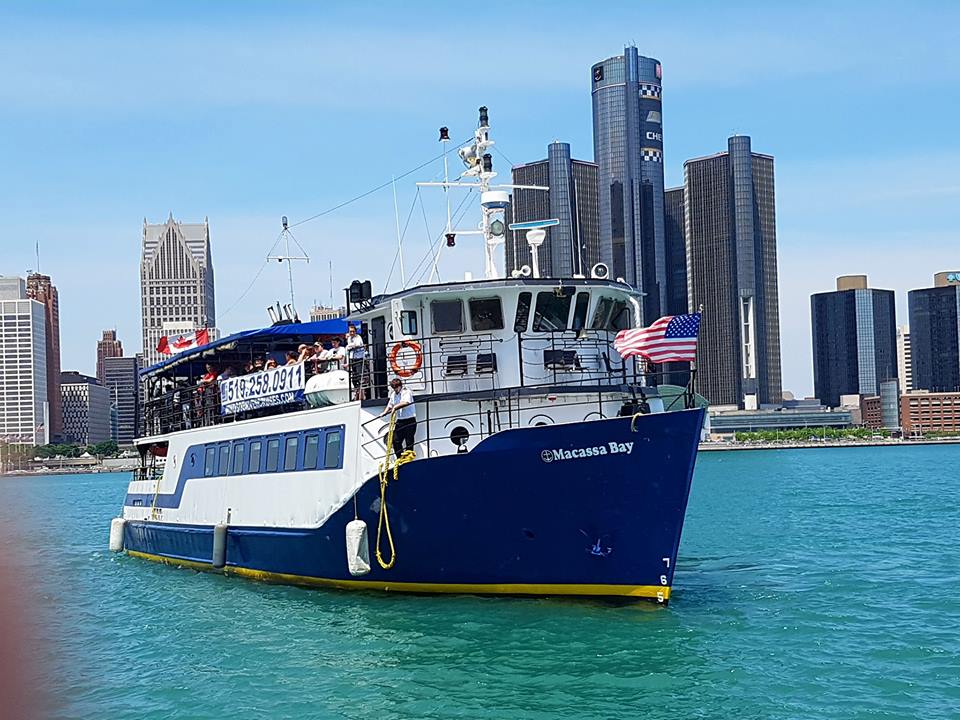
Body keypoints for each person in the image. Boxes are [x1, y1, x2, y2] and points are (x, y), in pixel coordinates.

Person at [379, 377, 417, 459]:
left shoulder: (406, 392)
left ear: (400, 386)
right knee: (396, 441)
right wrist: (384, 412)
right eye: (393, 388)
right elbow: (390, 405)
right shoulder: (393, 394)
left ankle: (408, 460)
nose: (395, 389)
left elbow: (405, 402)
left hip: (410, 421)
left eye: (396, 387)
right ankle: (400, 459)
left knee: (409, 441)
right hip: (400, 421)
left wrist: (395, 407)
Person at [345, 325, 367, 397]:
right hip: (352, 358)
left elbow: (357, 345)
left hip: (359, 358)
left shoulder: (358, 337)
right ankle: (356, 392)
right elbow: (349, 347)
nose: (351, 333)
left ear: (355, 331)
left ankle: (362, 394)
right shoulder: (349, 338)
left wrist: (350, 346)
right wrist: (350, 346)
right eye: (350, 331)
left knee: (359, 375)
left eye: (353, 331)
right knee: (354, 377)